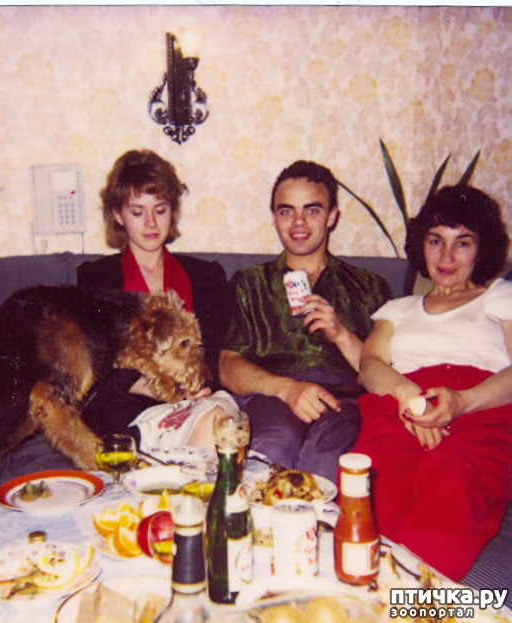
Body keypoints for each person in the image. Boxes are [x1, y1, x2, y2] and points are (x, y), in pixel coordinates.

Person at [352, 184, 512, 581]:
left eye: (463, 243)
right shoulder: (398, 309)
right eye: (436, 240)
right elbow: (370, 365)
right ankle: (358, 589)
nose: (446, 256)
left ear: (482, 249)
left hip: (480, 410)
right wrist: (408, 395)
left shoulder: (499, 297)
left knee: (453, 477)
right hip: (403, 408)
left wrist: (462, 402)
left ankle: (411, 599)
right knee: (377, 482)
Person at [219, 160, 392, 481]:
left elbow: (384, 371)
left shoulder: (370, 287)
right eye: (286, 211)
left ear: (332, 216)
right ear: (274, 218)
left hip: (344, 403)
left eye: (312, 210)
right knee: (272, 450)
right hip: (272, 397)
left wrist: (340, 333)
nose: (298, 222)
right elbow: (227, 366)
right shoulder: (249, 284)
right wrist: (287, 389)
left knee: (328, 463)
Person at [77, 149, 237, 451]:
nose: (151, 223)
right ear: (118, 215)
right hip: (127, 404)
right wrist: (162, 389)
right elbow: (97, 365)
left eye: (160, 210)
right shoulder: (96, 278)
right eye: (138, 212)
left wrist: (199, 386)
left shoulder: (206, 276)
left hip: (196, 400)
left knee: (219, 422)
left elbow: (215, 355)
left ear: (171, 211)